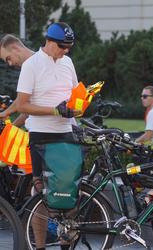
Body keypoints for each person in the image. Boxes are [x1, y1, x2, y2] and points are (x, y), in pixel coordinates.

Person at [16, 22, 80, 250]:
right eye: (62, 46)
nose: (66, 51)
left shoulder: (68, 62)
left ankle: (66, 245)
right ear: (49, 42)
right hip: (41, 134)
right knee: (40, 193)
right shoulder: (31, 65)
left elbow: (75, 94)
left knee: (70, 192)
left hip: (66, 132)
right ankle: (40, 246)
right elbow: (24, 104)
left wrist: (79, 107)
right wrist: (54, 110)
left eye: (69, 46)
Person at [0, 34, 35, 126]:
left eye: (8, 58)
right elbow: (27, 109)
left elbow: (21, 102)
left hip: (48, 134)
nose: (10, 64)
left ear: (15, 48)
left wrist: (6, 112)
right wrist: (10, 129)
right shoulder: (31, 64)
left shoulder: (33, 64)